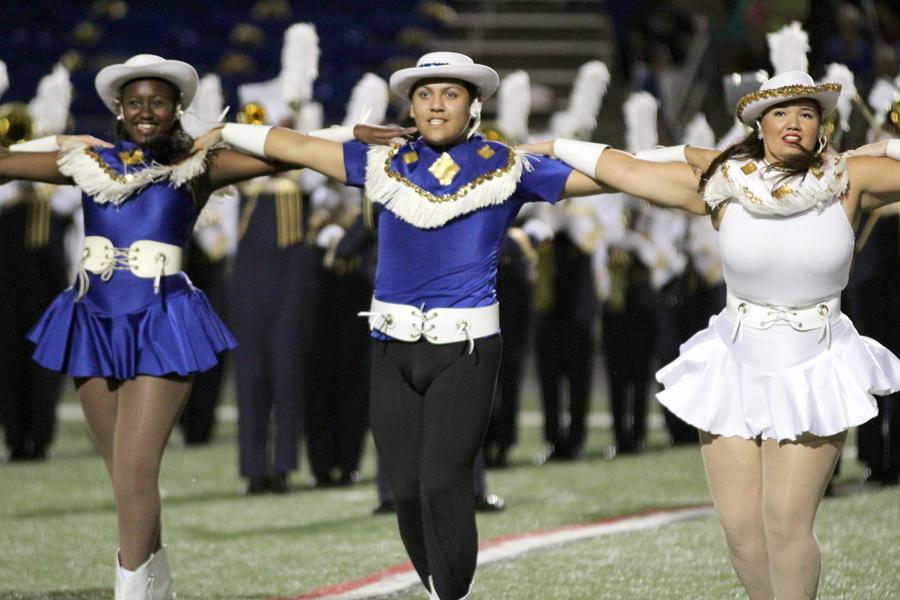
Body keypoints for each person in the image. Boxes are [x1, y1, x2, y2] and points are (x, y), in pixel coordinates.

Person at [0, 54, 400, 600]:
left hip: (161, 323)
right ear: (119, 107)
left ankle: (132, 591)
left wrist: (350, 131)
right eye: (135, 102)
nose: (145, 112)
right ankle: (155, 585)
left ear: (176, 108)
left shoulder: (198, 165)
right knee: (124, 477)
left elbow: (287, 153)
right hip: (92, 323)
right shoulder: (85, 160)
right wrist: (58, 140)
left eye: (157, 102)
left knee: (137, 472)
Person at [212, 51, 603, 600]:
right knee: (406, 486)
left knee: (444, 481)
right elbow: (291, 146)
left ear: (473, 104)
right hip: (391, 345)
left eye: (450, 93)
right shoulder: (381, 160)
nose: (436, 104)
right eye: (424, 94)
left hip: (464, 348)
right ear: (410, 106)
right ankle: (439, 588)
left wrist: (587, 149)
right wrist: (223, 128)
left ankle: (452, 595)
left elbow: (612, 177)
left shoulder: (507, 164)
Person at [523, 70, 900, 599]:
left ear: (822, 126)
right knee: (742, 531)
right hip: (735, 361)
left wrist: (884, 145)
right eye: (781, 113)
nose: (794, 124)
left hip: (816, 361)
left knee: (785, 522)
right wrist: (555, 144)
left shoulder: (850, 177)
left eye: (807, 113)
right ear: (758, 124)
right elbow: (627, 170)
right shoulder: (726, 185)